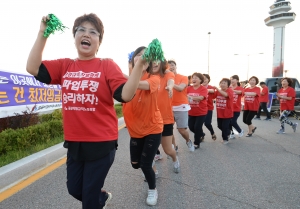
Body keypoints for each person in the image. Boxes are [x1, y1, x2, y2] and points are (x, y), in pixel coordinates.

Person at [26, 14, 147, 209]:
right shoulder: (65, 65)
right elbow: (32, 68)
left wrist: (139, 67)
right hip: (75, 142)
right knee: (74, 189)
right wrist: (43, 33)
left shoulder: (106, 65)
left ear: (99, 42)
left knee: (88, 200)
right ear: (74, 37)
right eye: (81, 30)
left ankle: (95, 201)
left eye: (93, 32)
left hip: (101, 142)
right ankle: (101, 198)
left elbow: (124, 94)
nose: (86, 35)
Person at [123, 46, 163, 206]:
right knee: (136, 164)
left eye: (145, 56)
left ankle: (153, 189)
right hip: (135, 130)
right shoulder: (129, 76)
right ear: (133, 60)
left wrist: (120, 75)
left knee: (145, 165)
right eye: (138, 55)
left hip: (153, 128)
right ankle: (150, 165)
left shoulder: (154, 78)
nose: (141, 58)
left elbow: (140, 85)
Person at [154, 59, 181, 173]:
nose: (154, 63)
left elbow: (171, 81)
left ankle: (175, 159)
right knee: (149, 150)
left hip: (165, 119)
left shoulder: (168, 74)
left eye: (157, 61)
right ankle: (152, 173)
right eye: (152, 61)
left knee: (168, 150)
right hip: (150, 119)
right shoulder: (147, 75)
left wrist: (169, 87)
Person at [168, 60, 194, 152]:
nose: (170, 67)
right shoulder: (163, 78)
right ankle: (174, 146)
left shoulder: (183, 77)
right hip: (168, 107)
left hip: (181, 106)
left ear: (175, 67)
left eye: (172, 65)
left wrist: (170, 82)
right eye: (168, 66)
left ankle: (188, 140)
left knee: (181, 129)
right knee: (168, 130)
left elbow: (180, 88)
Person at [187, 73, 208, 149]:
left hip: (201, 112)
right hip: (191, 111)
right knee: (191, 127)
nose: (194, 79)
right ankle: (201, 134)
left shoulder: (203, 89)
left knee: (197, 127)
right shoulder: (188, 88)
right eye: (193, 78)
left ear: (200, 80)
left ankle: (196, 143)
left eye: (196, 78)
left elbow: (201, 98)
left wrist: (190, 97)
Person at [213, 78, 234, 144]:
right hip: (220, 113)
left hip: (227, 113)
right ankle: (228, 132)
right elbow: (212, 96)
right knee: (219, 126)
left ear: (228, 85)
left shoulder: (230, 90)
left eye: (224, 83)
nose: (222, 84)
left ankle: (225, 139)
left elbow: (226, 95)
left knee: (224, 127)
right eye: (221, 83)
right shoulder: (218, 91)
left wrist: (218, 89)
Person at [202, 74, 217, 140]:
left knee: (207, 123)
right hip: (200, 108)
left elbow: (213, 91)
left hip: (209, 108)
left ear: (208, 80)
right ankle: (201, 135)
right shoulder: (197, 87)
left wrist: (203, 89)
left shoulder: (211, 87)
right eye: (202, 78)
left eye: (205, 78)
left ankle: (212, 133)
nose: (204, 80)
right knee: (198, 124)